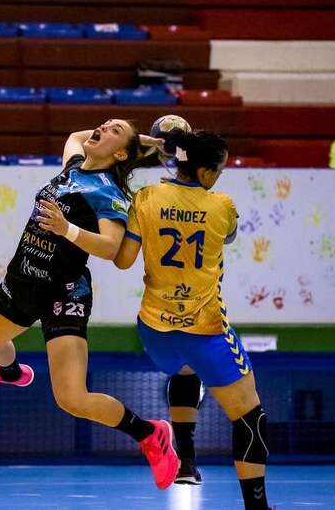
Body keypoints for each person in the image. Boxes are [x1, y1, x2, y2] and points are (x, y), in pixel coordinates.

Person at [0, 119, 180, 489]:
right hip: (24, 278)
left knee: (72, 399)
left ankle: (150, 434)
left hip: (64, 292)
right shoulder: (74, 166)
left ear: (120, 154)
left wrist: (67, 229)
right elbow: (75, 137)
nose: (102, 128)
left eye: (113, 130)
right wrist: (143, 140)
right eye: (105, 125)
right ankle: (11, 372)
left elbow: (111, 248)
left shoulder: (108, 192)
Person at [113, 128, 274, 510]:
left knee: (185, 371)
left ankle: (185, 460)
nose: (219, 176)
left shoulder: (145, 197)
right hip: (204, 331)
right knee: (250, 417)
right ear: (204, 172)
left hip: (154, 333)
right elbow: (229, 235)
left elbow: (123, 261)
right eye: (218, 169)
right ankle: (257, 508)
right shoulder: (222, 205)